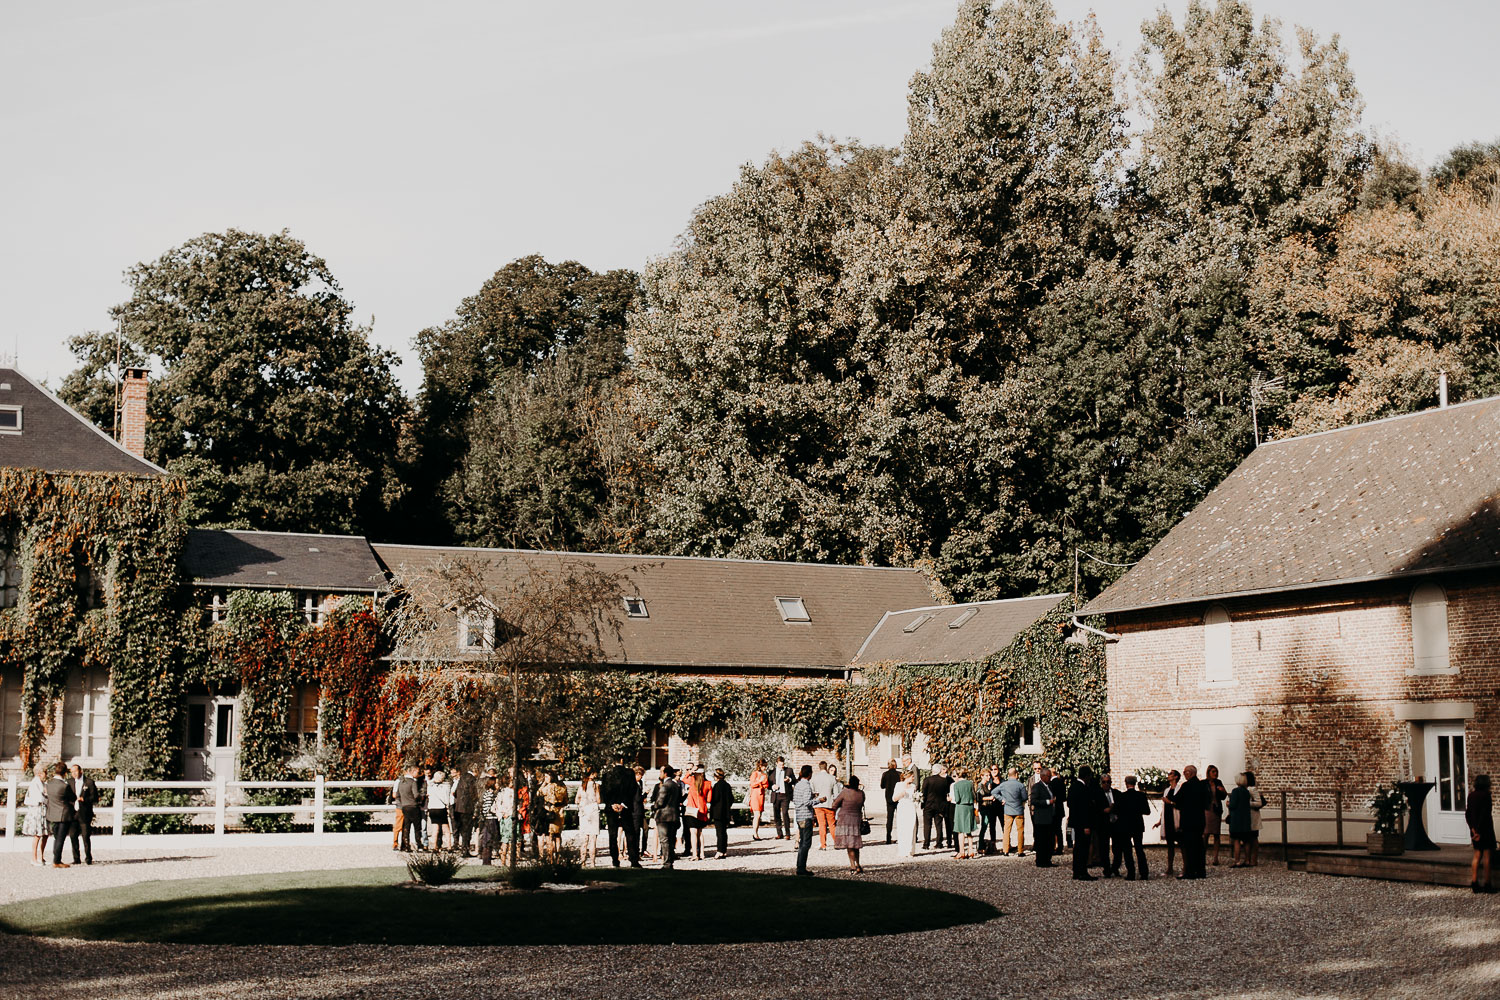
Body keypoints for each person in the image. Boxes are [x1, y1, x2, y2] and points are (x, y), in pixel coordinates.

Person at [601, 754, 642, 868]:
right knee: (630, 834)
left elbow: (604, 792)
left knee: (613, 835)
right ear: (622, 760)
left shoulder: (607, 775)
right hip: (626, 808)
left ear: (613, 762)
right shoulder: (629, 773)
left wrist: (612, 804)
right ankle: (633, 860)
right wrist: (623, 803)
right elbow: (632, 789)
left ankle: (615, 860)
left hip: (611, 808)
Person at [1175, 764, 1209, 879]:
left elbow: (1177, 800)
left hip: (1188, 820)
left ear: (1191, 773)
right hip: (1199, 819)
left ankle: (1190, 871)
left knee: (1189, 846)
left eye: (1185, 772)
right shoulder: (1202, 785)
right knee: (1199, 845)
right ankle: (1200, 871)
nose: (1184, 774)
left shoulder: (1186, 786)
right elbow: (1206, 801)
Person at [830, 774, 867, 873]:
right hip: (856, 819)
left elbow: (834, 805)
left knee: (849, 844)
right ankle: (858, 864)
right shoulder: (861, 794)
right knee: (855, 844)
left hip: (845, 820)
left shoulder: (845, 792)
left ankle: (852, 866)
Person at [1118, 775, 1151, 879]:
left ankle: (1131, 873)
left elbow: (1118, 811)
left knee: (1127, 850)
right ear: (1135, 783)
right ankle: (1144, 873)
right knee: (1139, 849)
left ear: (1126, 783)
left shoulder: (1122, 796)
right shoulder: (1141, 796)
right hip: (1137, 825)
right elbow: (1147, 811)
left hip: (1125, 825)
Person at [1466, 774, 1495, 894]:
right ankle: (1487, 884)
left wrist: (1473, 829)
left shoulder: (1471, 795)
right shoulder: (1486, 796)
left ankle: (1474, 883)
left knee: (1477, 855)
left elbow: (1468, 813)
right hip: (1485, 829)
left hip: (1474, 829)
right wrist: (1479, 830)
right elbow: (1485, 814)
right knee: (1487, 856)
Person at [1067, 766, 1097, 880]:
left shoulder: (1073, 787)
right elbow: (1084, 809)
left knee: (1078, 848)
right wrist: (1086, 825)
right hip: (1083, 823)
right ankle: (1082, 872)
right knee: (1083, 848)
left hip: (1076, 822)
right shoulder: (1082, 788)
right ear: (1087, 776)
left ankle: (1077, 871)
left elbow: (1070, 804)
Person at [44, 763, 76, 868]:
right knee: (60, 839)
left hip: (52, 814)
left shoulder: (49, 784)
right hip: (63, 814)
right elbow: (73, 797)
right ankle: (57, 861)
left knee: (56, 837)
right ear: (65, 772)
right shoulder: (64, 786)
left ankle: (56, 858)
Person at [650, 765, 682, 869]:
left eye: (661, 772)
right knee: (671, 839)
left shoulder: (665, 785)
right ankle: (670, 861)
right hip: (674, 815)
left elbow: (660, 802)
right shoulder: (676, 785)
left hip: (664, 816)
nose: (660, 774)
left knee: (664, 840)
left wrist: (653, 806)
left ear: (665, 773)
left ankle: (667, 862)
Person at [67, 763, 98, 866]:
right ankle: (76, 858)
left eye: (75, 771)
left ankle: (88, 858)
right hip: (72, 813)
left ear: (81, 771)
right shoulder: (69, 782)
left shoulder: (89, 782)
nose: (73, 774)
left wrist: (84, 799)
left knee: (85, 836)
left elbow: (95, 798)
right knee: (73, 835)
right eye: (72, 772)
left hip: (84, 813)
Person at [792, 764, 817, 876]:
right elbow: (807, 802)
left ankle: (800, 866)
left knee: (802, 842)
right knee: (806, 843)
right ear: (809, 774)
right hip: (806, 816)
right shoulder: (806, 786)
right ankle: (801, 867)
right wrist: (818, 800)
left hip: (799, 816)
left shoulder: (797, 785)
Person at [1154, 769, 1181, 877]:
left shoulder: (1179, 789)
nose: (1168, 776)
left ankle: (1185, 867)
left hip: (1176, 818)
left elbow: (1178, 803)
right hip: (1168, 818)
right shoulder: (1167, 790)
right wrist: (1160, 821)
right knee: (1170, 845)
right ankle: (1169, 868)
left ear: (1175, 777)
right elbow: (1164, 808)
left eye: (1170, 774)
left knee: (1181, 843)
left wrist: (1169, 802)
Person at [1029, 766, 1057, 867]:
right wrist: (1047, 802)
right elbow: (1034, 801)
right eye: (1048, 776)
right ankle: (1041, 861)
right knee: (1041, 841)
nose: (1050, 778)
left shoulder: (1049, 786)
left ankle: (1047, 859)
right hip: (1041, 818)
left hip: (1049, 817)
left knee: (1049, 840)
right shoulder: (1037, 787)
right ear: (1043, 776)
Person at [683, 765, 712, 860]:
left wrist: (690, 772)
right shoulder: (708, 784)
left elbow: (684, 779)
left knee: (693, 833)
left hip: (692, 810)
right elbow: (709, 799)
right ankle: (702, 853)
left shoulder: (692, 780)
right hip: (702, 810)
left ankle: (695, 854)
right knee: (700, 833)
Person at [949, 766, 978, 858]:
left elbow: (957, 799)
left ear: (958, 774)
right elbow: (974, 796)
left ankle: (962, 852)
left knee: (960, 831)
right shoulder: (970, 783)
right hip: (969, 806)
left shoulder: (956, 785)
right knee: (968, 830)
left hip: (961, 807)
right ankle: (971, 850)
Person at [999, 766, 1028, 857]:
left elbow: (994, 792)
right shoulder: (1020, 785)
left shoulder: (1004, 785)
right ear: (1016, 774)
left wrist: (1002, 799)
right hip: (1019, 809)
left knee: (1007, 830)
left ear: (1008, 775)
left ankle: (1005, 850)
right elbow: (1025, 797)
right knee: (1020, 831)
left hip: (1008, 809)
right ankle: (1020, 851)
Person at [23, 764, 48, 868]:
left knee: (45, 834)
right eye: (45, 773)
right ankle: (34, 858)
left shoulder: (42, 783)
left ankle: (41, 857)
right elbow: (40, 798)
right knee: (37, 835)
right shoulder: (35, 783)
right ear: (40, 773)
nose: (46, 775)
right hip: (37, 810)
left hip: (42, 810)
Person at [452, 765, 479, 857]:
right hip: (467, 807)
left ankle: (463, 848)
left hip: (459, 807)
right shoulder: (471, 779)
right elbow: (474, 794)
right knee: (467, 829)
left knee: (462, 829)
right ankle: (465, 849)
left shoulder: (462, 778)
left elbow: (455, 792)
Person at [921, 764, 949, 852]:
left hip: (928, 805)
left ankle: (926, 844)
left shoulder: (927, 780)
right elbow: (946, 793)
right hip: (940, 805)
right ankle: (939, 842)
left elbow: (924, 793)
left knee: (927, 825)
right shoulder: (944, 781)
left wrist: (923, 804)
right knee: (938, 824)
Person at [394, 765, 422, 852]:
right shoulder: (412, 782)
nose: (418, 774)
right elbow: (416, 795)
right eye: (417, 772)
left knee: (406, 827)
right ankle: (419, 845)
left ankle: (406, 845)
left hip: (404, 807)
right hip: (413, 806)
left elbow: (397, 795)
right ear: (412, 771)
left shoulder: (401, 782)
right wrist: (421, 798)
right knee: (417, 827)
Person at [1226, 772, 1252, 868]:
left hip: (1237, 819)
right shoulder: (1246, 792)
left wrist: (1228, 804)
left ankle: (1237, 861)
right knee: (1246, 841)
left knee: (1236, 840)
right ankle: (1247, 860)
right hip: (1246, 819)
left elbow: (1233, 805)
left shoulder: (1235, 791)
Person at [893, 768, 920, 858]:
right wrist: (901, 794)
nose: (913, 778)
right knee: (902, 829)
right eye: (912, 776)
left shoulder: (913, 786)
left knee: (911, 828)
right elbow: (894, 798)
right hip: (902, 807)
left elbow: (914, 797)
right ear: (907, 776)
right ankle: (902, 850)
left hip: (911, 807)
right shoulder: (898, 785)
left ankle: (909, 850)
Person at [577, 768, 601, 866]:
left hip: (584, 811)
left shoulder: (581, 786)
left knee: (584, 838)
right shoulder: (596, 786)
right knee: (593, 838)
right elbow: (598, 800)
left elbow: (576, 799)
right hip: (593, 810)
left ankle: (583, 861)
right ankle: (592, 862)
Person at [542, 770, 569, 858]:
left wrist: (543, 784)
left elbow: (538, 794)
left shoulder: (548, 787)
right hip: (559, 811)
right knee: (558, 835)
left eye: (546, 777)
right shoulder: (562, 787)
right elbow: (566, 800)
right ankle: (558, 854)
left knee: (549, 835)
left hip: (549, 811)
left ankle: (551, 856)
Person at [1204, 764, 1228, 866]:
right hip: (1207, 810)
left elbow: (1223, 797)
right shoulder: (1204, 783)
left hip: (1216, 810)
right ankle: (1203, 857)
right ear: (1209, 772)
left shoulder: (1219, 782)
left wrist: (1223, 791)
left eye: (1216, 772)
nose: (1215, 774)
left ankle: (1215, 858)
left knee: (1216, 834)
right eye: (1213, 772)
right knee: (1205, 834)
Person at [811, 761, 837, 850]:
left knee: (822, 825)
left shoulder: (814, 778)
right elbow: (836, 793)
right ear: (826, 768)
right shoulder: (832, 778)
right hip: (829, 804)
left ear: (819, 767)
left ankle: (823, 844)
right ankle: (836, 843)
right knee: (832, 824)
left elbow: (812, 790)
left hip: (818, 804)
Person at [426, 769, 454, 851]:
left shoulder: (430, 786)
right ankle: (449, 846)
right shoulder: (446, 786)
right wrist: (448, 806)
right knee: (446, 829)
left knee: (435, 828)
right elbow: (446, 799)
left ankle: (434, 846)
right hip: (441, 808)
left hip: (432, 808)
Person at [710, 767, 735, 858]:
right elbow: (731, 799)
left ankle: (720, 850)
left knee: (719, 832)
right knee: (724, 832)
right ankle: (724, 850)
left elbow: (714, 799)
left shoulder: (717, 786)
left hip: (718, 812)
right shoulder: (727, 785)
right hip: (726, 811)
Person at [1098, 774, 1120, 877]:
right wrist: (1104, 811)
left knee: (1117, 848)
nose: (1106, 784)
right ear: (1101, 783)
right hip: (1103, 824)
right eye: (1104, 782)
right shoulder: (1097, 794)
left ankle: (1115, 867)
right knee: (1104, 848)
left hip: (1116, 824)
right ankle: (1106, 869)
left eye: (1108, 782)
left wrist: (1112, 809)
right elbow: (1095, 809)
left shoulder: (1117, 793)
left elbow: (1120, 807)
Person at [978, 764, 1003, 854]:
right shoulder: (983, 784)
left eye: (989, 775)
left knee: (1001, 825)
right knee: (987, 827)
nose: (989, 776)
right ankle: (984, 846)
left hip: (995, 807)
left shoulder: (989, 784)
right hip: (987, 808)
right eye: (987, 775)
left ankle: (1004, 844)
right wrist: (990, 797)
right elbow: (979, 798)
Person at [477, 775, 500, 865]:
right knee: (489, 838)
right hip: (491, 819)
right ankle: (486, 859)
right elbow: (488, 808)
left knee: (488, 838)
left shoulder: (489, 793)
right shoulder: (490, 794)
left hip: (489, 818)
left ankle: (487, 859)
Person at [1244, 770, 1265, 867]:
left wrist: (1247, 804)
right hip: (1247, 816)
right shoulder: (1245, 789)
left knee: (1253, 838)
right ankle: (1248, 859)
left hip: (1253, 816)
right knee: (1248, 838)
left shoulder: (1252, 789)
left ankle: (1253, 859)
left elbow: (1258, 803)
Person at [770, 756, 793, 839]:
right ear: (776, 764)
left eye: (783, 765)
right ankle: (779, 833)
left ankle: (788, 833)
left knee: (785, 813)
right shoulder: (772, 772)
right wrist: (773, 786)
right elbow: (768, 784)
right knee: (776, 815)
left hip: (785, 795)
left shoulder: (789, 770)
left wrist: (789, 780)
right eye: (780, 765)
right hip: (776, 795)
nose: (782, 766)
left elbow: (794, 780)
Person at [1048, 768, 1069, 854]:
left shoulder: (1051, 784)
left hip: (1053, 809)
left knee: (1052, 829)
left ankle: (1053, 847)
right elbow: (1064, 798)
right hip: (1060, 808)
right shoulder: (1061, 782)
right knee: (1059, 829)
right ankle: (1060, 847)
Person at [748, 760, 769, 840]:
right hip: (755, 795)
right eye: (764, 766)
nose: (765, 768)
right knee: (757, 814)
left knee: (759, 814)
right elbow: (752, 784)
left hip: (761, 795)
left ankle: (756, 832)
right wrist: (759, 782)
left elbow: (766, 784)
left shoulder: (764, 775)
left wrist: (761, 785)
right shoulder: (755, 773)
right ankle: (755, 833)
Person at [880, 759, 900, 844]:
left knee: (889, 818)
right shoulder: (899, 774)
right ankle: (901, 836)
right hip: (898, 797)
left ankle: (888, 837)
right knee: (900, 817)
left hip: (889, 798)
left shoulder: (885, 774)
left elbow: (882, 786)